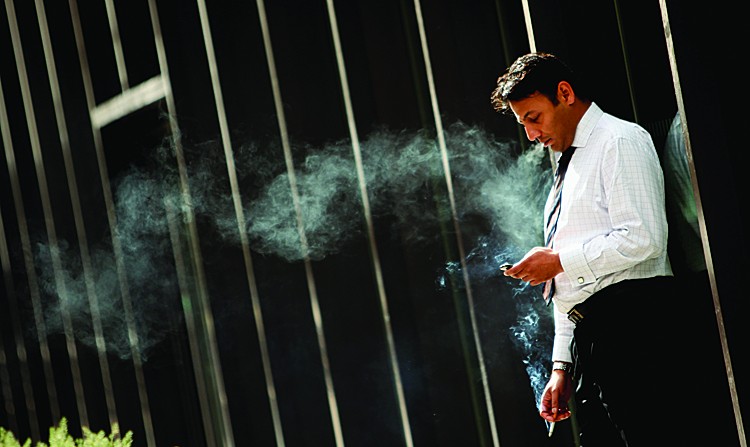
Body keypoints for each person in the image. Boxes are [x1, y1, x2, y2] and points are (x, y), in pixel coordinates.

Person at [491, 52, 685, 446]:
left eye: (533, 118)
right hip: (597, 338)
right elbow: (569, 284)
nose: (531, 135)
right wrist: (562, 365)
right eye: (523, 124)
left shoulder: (619, 140)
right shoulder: (568, 164)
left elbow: (644, 237)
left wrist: (558, 260)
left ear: (564, 93)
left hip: (636, 327)